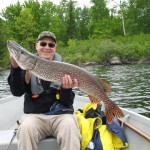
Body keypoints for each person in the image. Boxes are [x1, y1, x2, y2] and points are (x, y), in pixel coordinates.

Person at [8, 31, 81, 150]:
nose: (47, 47)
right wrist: (15, 68)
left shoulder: (63, 68)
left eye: (51, 45)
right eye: (43, 44)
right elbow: (17, 92)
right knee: (25, 128)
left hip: (60, 116)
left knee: (70, 125)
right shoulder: (27, 64)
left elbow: (67, 103)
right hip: (35, 117)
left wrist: (66, 90)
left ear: (55, 48)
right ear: (37, 46)